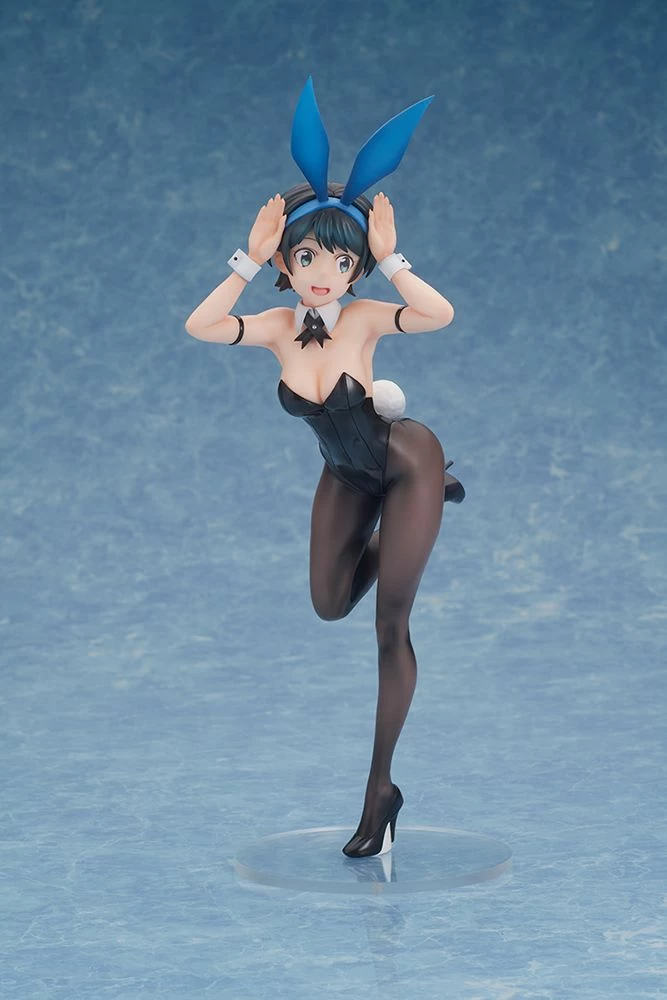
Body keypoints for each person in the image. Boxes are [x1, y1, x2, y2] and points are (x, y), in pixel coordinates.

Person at [185, 79, 462, 858]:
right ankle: (413, 523)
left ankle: (380, 792)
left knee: (388, 625)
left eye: (341, 260)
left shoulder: (366, 316)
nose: (322, 271)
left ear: (355, 268)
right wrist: (246, 256)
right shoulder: (278, 325)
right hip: (344, 474)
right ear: (286, 257)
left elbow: (439, 314)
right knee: (329, 603)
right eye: (307, 255)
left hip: (403, 461)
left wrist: (391, 256)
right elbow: (201, 324)